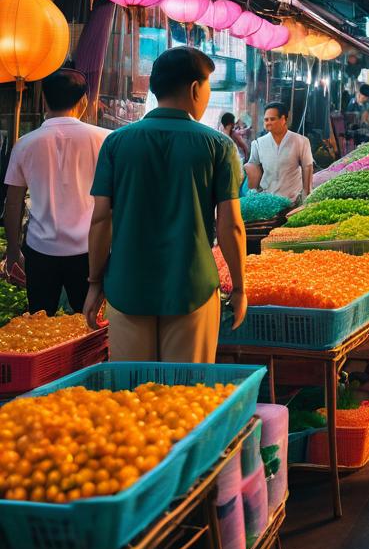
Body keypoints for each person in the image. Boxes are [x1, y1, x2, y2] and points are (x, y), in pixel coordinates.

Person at [85, 47, 247, 362]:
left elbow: (101, 219)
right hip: (192, 288)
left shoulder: (116, 143)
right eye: (209, 86)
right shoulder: (218, 146)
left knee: (133, 394)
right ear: (195, 88)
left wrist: (94, 282)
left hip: (126, 285)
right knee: (186, 396)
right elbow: (231, 225)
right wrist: (239, 287)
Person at [3, 69, 108, 314]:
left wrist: (12, 248)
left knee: (41, 320)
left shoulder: (25, 144)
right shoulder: (105, 140)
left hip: (41, 250)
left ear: (43, 100)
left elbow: (13, 203)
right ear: (83, 102)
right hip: (90, 250)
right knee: (91, 320)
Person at [246, 102, 314, 204]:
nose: (268, 122)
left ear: (283, 119)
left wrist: (307, 194)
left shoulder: (301, 141)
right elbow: (253, 169)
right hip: (268, 200)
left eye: (272, 119)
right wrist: (253, 195)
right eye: (266, 119)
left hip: (293, 199)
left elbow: (307, 167)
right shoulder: (258, 143)